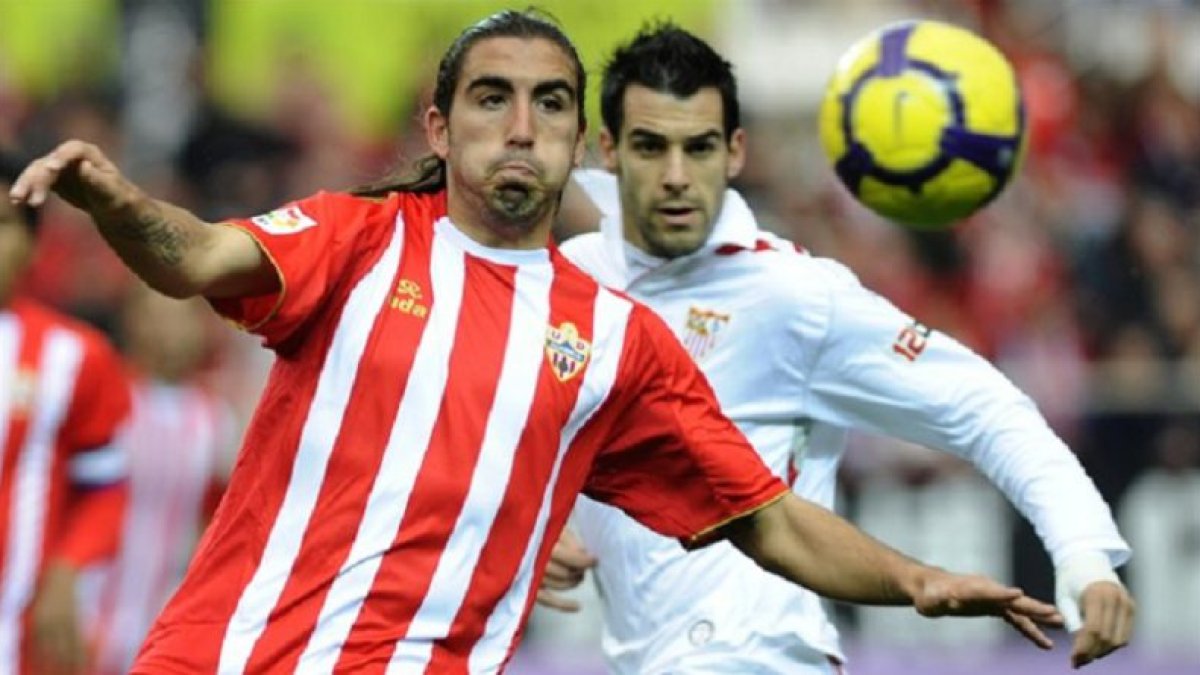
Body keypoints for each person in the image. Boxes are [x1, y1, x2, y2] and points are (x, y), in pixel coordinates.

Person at [10, 10, 1063, 674]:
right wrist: (115, 201)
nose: (520, 125)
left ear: (578, 141)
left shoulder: (617, 340)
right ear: (439, 128)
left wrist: (917, 580)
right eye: (492, 98)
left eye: (549, 104)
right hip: (219, 656)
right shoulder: (359, 238)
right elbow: (193, 259)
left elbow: (767, 521)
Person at [536, 24, 1135, 674]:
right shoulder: (565, 284)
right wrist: (532, 527)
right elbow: (495, 431)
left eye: (699, 147)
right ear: (609, 150)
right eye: (651, 147)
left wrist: (1082, 551)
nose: (677, 176)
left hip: (765, 659)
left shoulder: (794, 295)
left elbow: (986, 407)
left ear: (734, 152)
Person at [0, 153, 131, 674]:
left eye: (2, 224)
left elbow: (105, 487)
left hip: (16, 633)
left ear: (31, 245)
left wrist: (67, 570)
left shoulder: (75, 356)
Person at [84, 285, 235, 675]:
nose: (168, 331)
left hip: (161, 624)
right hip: (86, 610)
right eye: (156, 316)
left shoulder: (215, 422)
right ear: (132, 322)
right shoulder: (103, 396)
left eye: (180, 319)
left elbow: (214, 524)